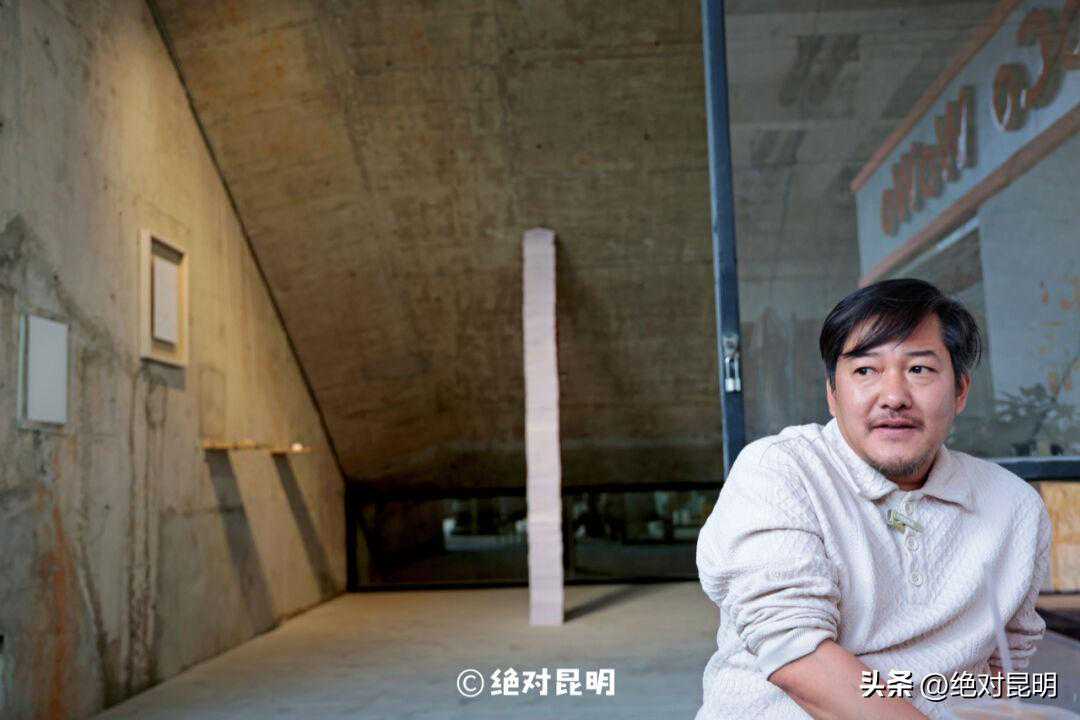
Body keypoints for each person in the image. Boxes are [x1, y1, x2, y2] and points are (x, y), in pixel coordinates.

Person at [695, 278, 1052, 719]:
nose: (894, 397)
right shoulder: (780, 472)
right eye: (866, 370)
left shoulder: (1015, 506)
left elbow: (1003, 665)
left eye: (919, 369)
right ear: (832, 393)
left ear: (960, 390)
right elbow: (795, 652)